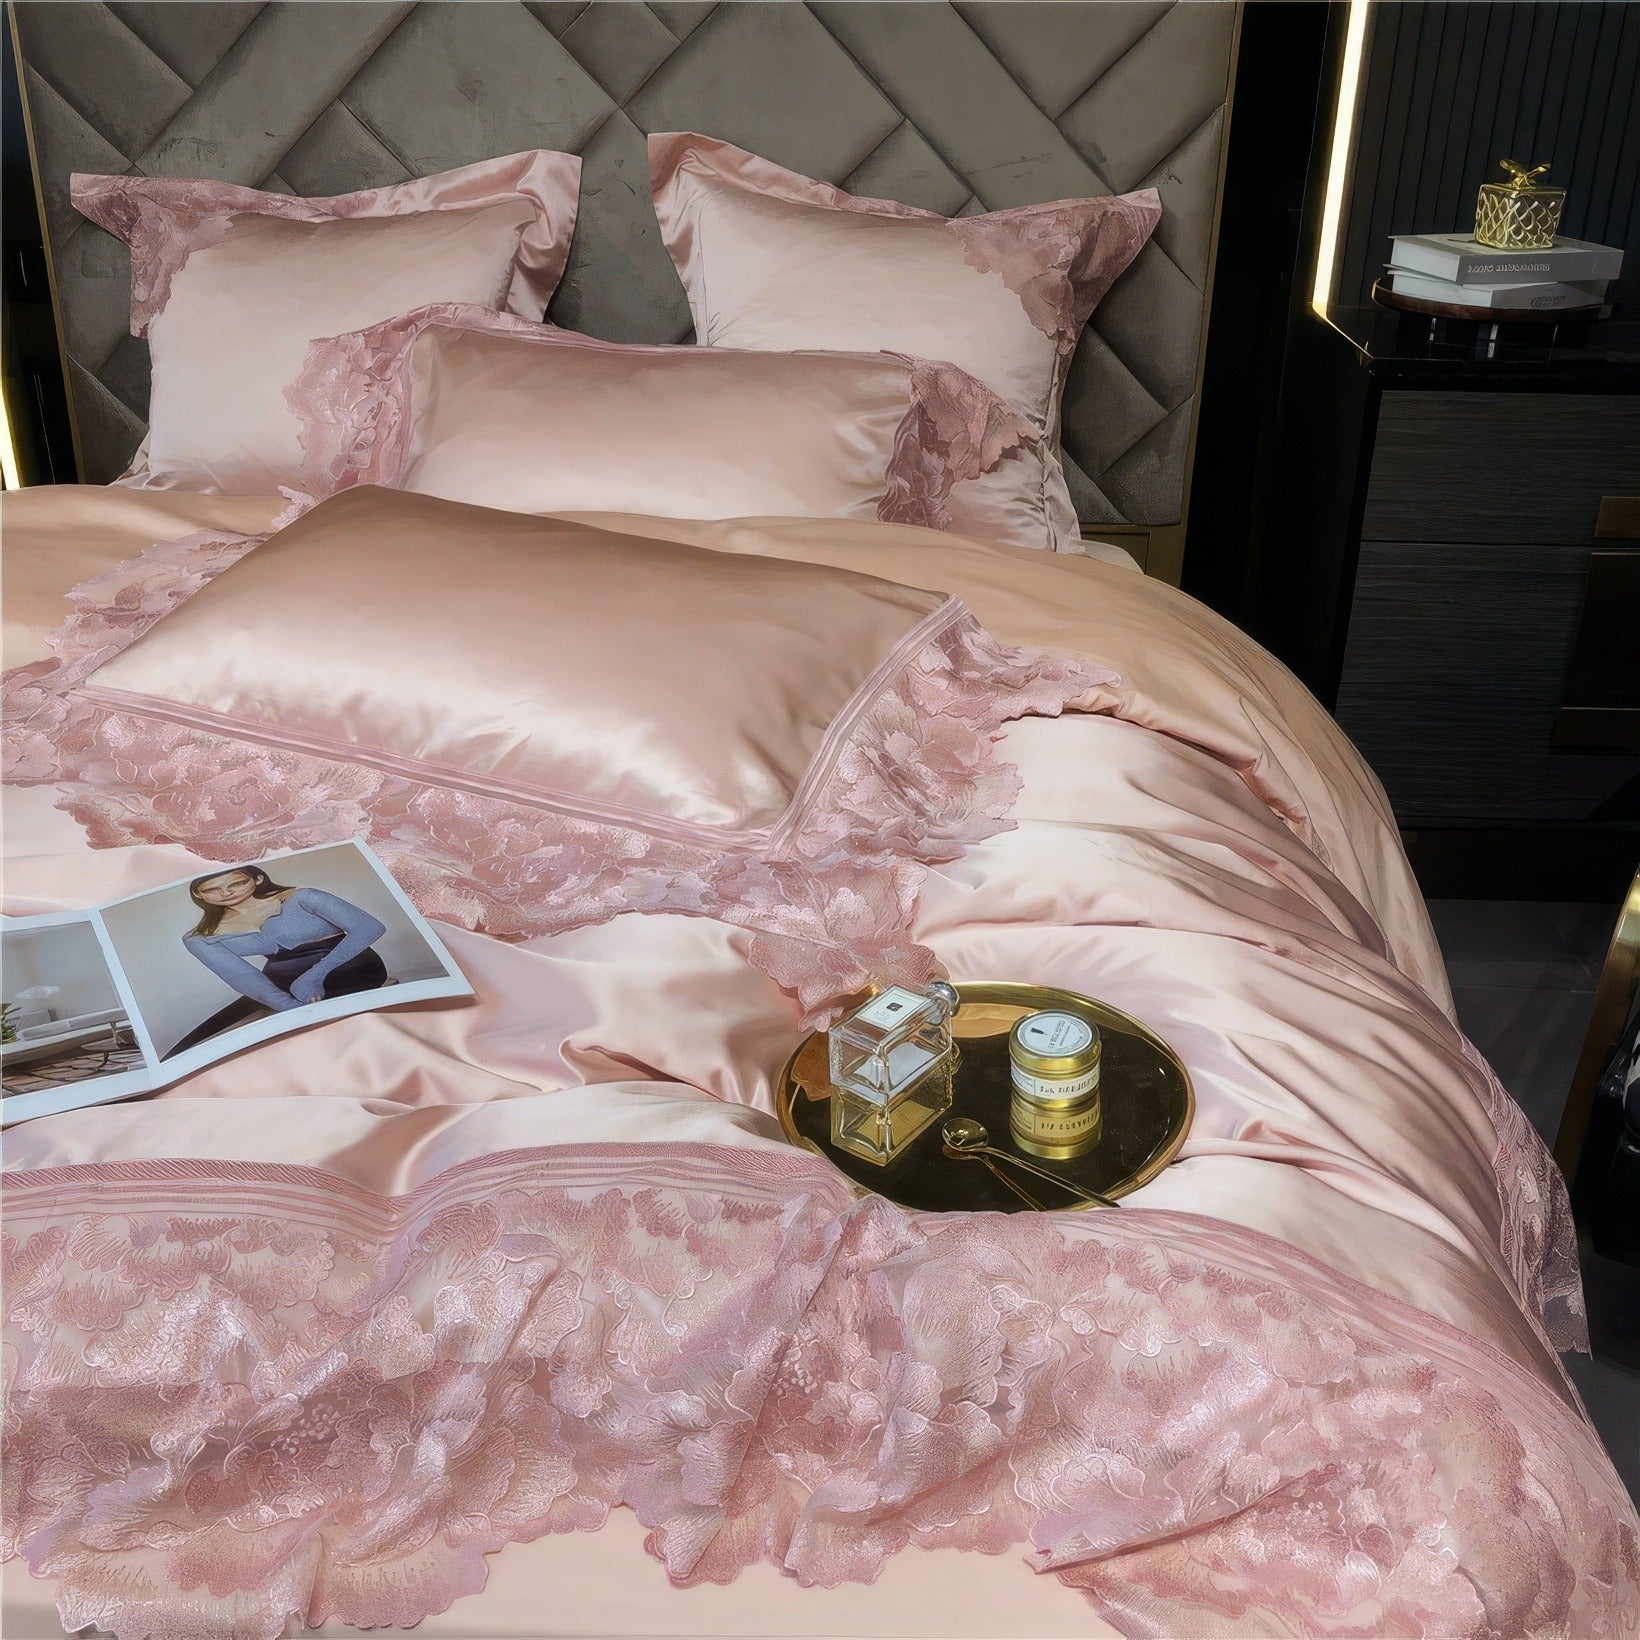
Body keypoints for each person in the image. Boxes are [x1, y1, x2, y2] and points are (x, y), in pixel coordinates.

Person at [167, 866, 388, 1057]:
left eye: (237, 883)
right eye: (213, 889)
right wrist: (287, 1006)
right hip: (278, 986)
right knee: (201, 1043)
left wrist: (314, 976)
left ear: (258, 879)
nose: (225, 893)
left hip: (350, 968)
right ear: (198, 894)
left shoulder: (302, 898)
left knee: (311, 1038)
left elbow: (369, 927)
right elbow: (242, 977)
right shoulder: (201, 937)